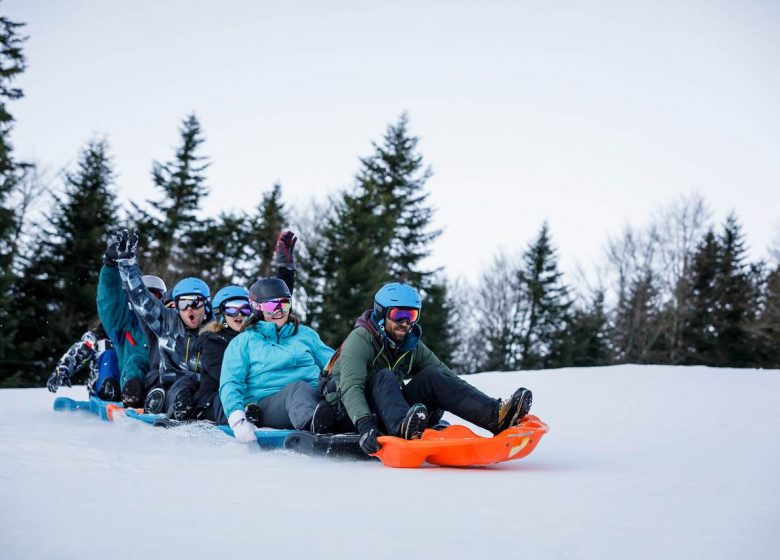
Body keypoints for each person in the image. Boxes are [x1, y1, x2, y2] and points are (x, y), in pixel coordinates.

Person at [324, 282, 533, 455]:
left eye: (412, 316)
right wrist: (365, 425)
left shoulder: (410, 343)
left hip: (389, 408)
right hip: (351, 413)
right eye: (398, 315)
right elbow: (351, 387)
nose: (405, 323)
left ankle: (496, 416)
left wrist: (485, 404)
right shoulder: (360, 339)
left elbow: (447, 378)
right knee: (385, 376)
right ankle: (403, 428)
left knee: (434, 376)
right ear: (381, 315)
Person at [218, 276, 338, 443]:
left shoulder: (305, 334)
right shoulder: (244, 341)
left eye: (284, 303)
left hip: (314, 397)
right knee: (297, 389)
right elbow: (231, 382)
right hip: (270, 405)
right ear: (257, 309)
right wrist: (237, 419)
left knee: (338, 384)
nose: (279, 311)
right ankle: (317, 425)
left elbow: (334, 363)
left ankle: (358, 421)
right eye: (271, 306)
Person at [113, 229, 211, 416]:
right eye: (183, 303)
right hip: (171, 385)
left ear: (206, 305)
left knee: (203, 389)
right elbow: (140, 297)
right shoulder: (167, 322)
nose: (189, 308)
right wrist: (127, 264)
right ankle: (169, 405)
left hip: (204, 387)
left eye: (195, 302)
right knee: (177, 388)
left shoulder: (215, 329)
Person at [100, 231, 167, 408]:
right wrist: (110, 266)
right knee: (131, 360)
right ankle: (118, 389)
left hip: (162, 389)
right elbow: (110, 298)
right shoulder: (125, 323)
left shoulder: (169, 325)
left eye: (155, 296)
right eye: (145, 295)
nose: (149, 302)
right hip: (129, 387)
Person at [46, 324, 121, 402]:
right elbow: (77, 354)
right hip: (102, 388)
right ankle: (109, 389)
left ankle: (129, 394)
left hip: (127, 389)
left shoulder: (132, 336)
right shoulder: (97, 337)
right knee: (110, 354)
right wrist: (62, 371)